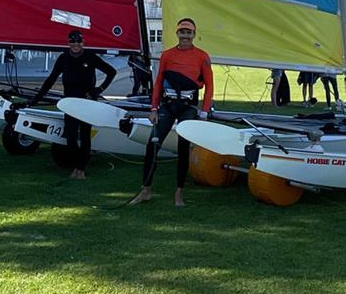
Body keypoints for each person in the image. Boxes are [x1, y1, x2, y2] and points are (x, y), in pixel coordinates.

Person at [131, 17, 213, 207]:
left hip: (188, 107)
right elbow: (159, 82)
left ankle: (179, 193)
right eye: (182, 32)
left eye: (189, 32)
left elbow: (209, 85)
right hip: (167, 105)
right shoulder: (167, 55)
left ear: (194, 34)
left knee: (183, 148)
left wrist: (205, 112)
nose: (185, 35)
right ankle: (146, 190)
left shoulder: (202, 56)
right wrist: (153, 108)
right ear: (177, 33)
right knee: (152, 145)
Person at [30, 30, 116, 180]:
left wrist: (98, 90)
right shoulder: (64, 58)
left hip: (87, 102)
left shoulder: (90, 56)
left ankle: (80, 170)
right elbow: (51, 79)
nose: (76, 44)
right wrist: (36, 99)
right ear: (68, 43)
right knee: (69, 136)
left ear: (83, 43)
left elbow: (111, 72)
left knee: (84, 136)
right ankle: (78, 165)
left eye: (78, 42)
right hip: (70, 103)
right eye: (72, 42)